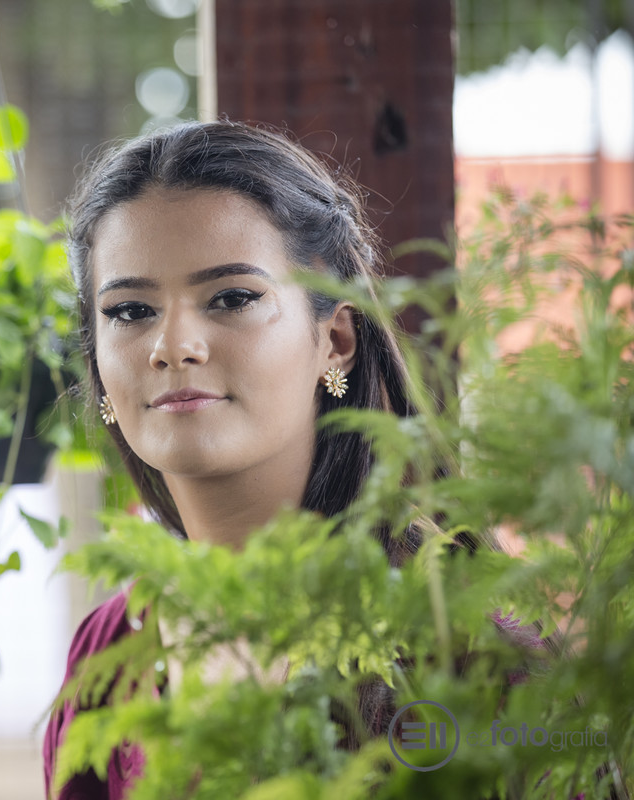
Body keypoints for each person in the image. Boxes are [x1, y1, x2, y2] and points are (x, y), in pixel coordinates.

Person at [40, 120, 546, 799]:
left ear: (334, 339)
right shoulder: (107, 656)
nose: (173, 345)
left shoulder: (470, 658)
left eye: (231, 298)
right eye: (130, 311)